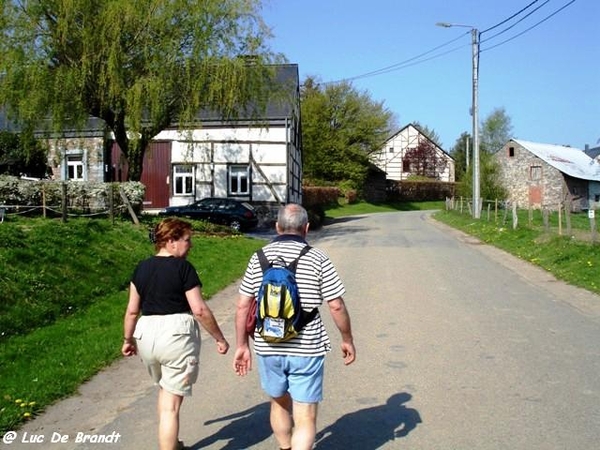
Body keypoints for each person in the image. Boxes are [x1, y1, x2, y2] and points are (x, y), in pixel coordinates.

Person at [233, 203, 356, 450]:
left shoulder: (259, 257)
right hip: (307, 348)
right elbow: (336, 306)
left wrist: (242, 345)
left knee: (278, 404)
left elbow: (242, 306)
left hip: (267, 346)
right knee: (305, 416)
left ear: (277, 227)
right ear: (307, 228)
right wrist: (347, 339)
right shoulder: (318, 258)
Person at [122, 217, 229, 450]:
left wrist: (127, 340)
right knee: (171, 404)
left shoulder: (141, 268)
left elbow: (132, 311)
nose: (190, 245)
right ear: (171, 241)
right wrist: (220, 338)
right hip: (176, 335)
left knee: (165, 389)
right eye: (187, 240)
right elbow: (199, 309)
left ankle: (173, 443)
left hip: (146, 334)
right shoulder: (183, 268)